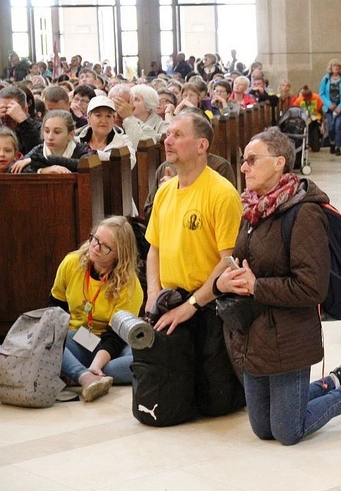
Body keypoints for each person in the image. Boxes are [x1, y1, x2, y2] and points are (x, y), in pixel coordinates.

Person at [216, 127, 341, 445]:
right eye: (244, 161)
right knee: (262, 428)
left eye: (252, 160)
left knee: (287, 431)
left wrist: (257, 287)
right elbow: (240, 263)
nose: (243, 167)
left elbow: (312, 288)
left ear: (280, 162)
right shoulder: (252, 209)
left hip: (289, 335)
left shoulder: (304, 213)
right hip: (254, 332)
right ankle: (338, 377)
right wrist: (222, 282)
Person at [144, 111, 245, 418]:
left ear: (201, 145)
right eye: (167, 134)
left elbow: (228, 260)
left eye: (177, 135)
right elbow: (153, 250)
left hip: (209, 304)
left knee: (216, 403)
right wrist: (152, 295)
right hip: (169, 300)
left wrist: (191, 304)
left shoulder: (221, 193)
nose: (167, 140)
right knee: (174, 395)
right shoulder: (164, 191)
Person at [49, 216, 143, 402]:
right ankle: (84, 376)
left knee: (140, 359)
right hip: (80, 336)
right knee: (50, 338)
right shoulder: (71, 263)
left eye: (105, 246)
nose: (95, 247)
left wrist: (97, 365)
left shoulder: (130, 285)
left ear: (119, 254)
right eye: (95, 239)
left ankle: (82, 371)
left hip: (113, 344)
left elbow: (114, 337)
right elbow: (55, 310)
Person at [10, 110, 90, 174]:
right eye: (47, 131)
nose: (50, 137)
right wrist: (43, 171)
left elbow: (91, 164)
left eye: (57, 132)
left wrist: (42, 161)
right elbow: (16, 169)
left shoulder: (83, 149)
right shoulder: (38, 150)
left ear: (71, 134)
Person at [75, 96, 136, 171]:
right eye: (98, 115)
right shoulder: (76, 140)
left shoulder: (123, 141)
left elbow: (129, 162)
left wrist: (95, 154)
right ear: (88, 118)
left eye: (108, 116)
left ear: (113, 119)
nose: (103, 121)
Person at [319, 58, 341, 156]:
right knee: (331, 128)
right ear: (331, 68)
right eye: (334, 66)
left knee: (338, 127)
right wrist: (328, 103)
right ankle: (332, 142)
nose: (336, 68)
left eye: (337, 66)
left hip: (340, 107)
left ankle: (338, 147)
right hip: (329, 107)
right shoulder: (325, 79)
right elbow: (321, 93)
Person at [0, 85, 42, 155]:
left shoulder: (37, 129)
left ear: (25, 110)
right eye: (3, 109)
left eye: (11, 109)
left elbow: (38, 154)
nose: (6, 115)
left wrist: (24, 122)